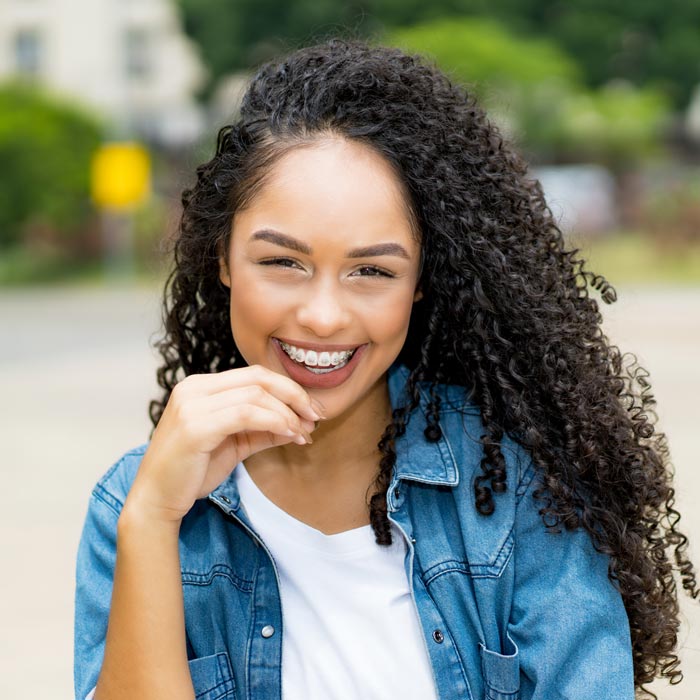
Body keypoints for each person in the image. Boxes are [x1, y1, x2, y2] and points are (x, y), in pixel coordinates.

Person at [74, 39, 697, 700]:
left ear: (421, 282)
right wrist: (151, 519)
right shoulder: (134, 505)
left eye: (372, 271)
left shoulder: (517, 489)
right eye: (283, 262)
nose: (321, 316)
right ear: (223, 257)